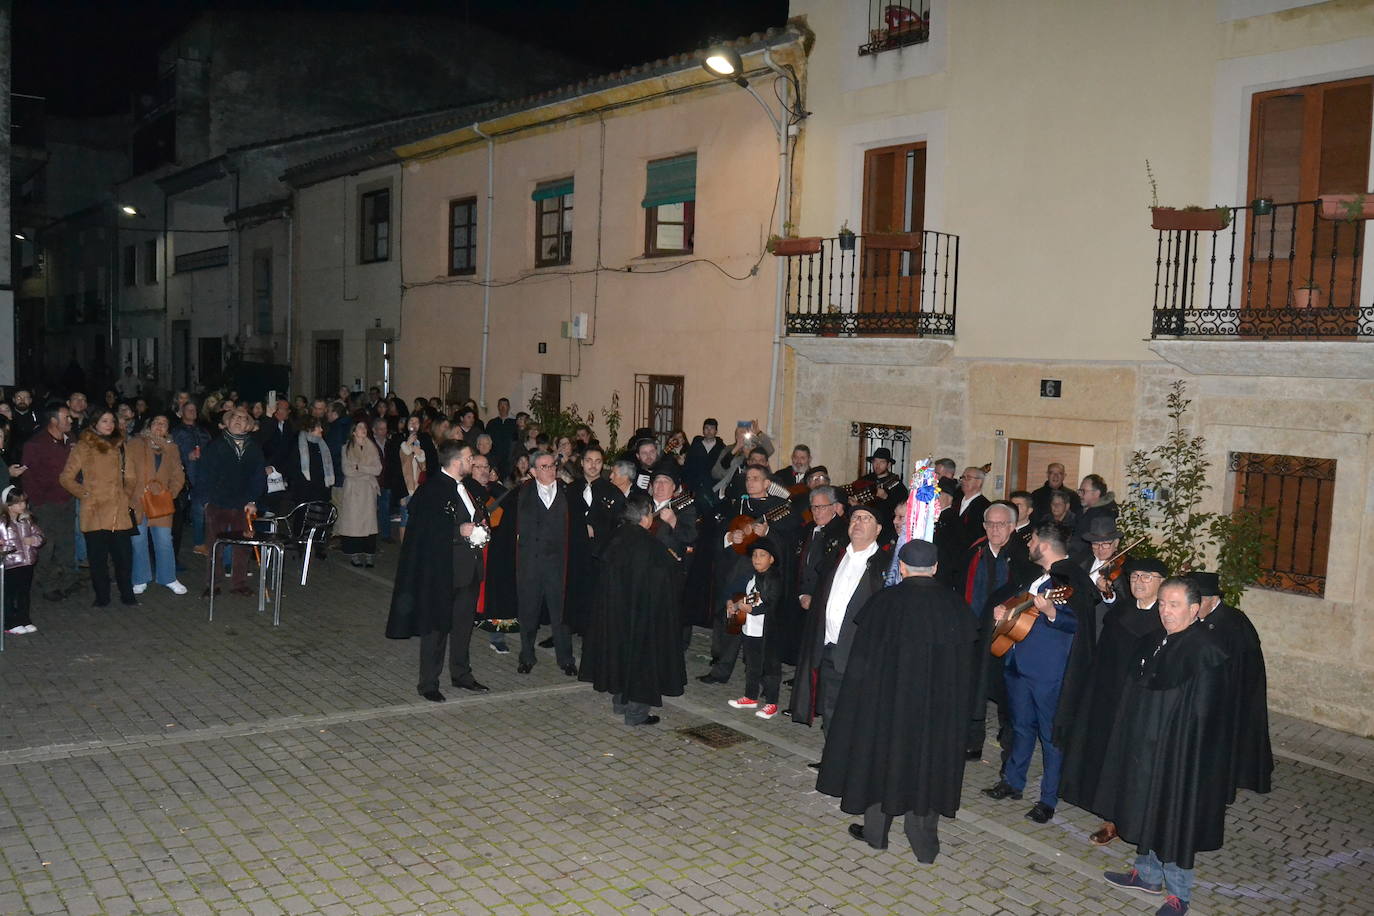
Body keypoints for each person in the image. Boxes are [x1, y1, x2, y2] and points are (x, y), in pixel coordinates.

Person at [817, 539, 974, 864]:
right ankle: (924, 843)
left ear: (901, 568)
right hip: (935, 711)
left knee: (878, 759)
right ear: (934, 568)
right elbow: (964, 670)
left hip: (886, 708)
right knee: (928, 764)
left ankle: (876, 833)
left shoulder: (884, 603)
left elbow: (862, 663)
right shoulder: (954, 606)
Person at [1098, 577, 1233, 916]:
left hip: (1178, 755)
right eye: (1162, 604)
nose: (1166, 612)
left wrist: (1182, 753)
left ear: (1193, 608)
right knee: (1146, 807)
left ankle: (1179, 894)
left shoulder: (1207, 652)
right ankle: (1146, 874)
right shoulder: (1155, 640)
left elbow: (1206, 717)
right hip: (1145, 746)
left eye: (1174, 605)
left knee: (1173, 817)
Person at [982, 523, 1097, 824]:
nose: (1028, 543)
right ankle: (1012, 781)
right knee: (1020, 727)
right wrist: (1004, 611)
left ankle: (1048, 799)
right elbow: (1020, 608)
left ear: (1044, 545)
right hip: (1018, 664)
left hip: (1048, 672)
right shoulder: (1039, 578)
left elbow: (1079, 624)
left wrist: (1052, 612)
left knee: (1050, 736)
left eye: (1032, 539)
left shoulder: (1071, 577)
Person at [1060, 556, 1167, 847]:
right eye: (1135, 577)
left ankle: (1120, 821)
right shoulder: (1121, 610)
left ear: (1161, 583)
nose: (1139, 582)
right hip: (1108, 695)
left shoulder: (1164, 620)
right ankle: (1106, 810)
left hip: (1139, 703)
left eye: (1147, 577)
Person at [385, 441, 489, 702]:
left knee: (464, 626)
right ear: (456, 462)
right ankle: (428, 682)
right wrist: (459, 530)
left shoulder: (465, 487)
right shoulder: (432, 490)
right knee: (437, 627)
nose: (472, 462)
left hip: (469, 569)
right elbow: (427, 529)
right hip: (444, 570)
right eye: (468, 458)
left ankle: (461, 674)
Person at [579, 491, 686, 726]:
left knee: (619, 654)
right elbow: (665, 578)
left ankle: (620, 702)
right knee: (641, 660)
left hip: (615, 613)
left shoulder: (616, 537)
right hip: (642, 614)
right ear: (645, 517)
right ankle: (636, 713)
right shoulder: (649, 545)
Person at [788, 504, 889, 729]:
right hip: (830, 647)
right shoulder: (836, 556)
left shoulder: (884, 566)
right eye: (855, 518)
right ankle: (832, 760)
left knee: (858, 712)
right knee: (830, 708)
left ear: (878, 529)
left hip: (861, 653)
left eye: (866, 518)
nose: (858, 523)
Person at [701, 465, 797, 685]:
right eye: (748, 478)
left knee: (760, 630)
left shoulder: (779, 508)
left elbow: (788, 543)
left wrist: (769, 533)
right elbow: (720, 535)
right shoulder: (737, 504)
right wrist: (729, 537)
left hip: (764, 579)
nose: (750, 482)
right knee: (732, 623)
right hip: (737, 575)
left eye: (756, 478)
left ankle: (763, 678)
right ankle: (721, 671)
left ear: (766, 484)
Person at [1193, 571, 1273, 801]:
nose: (1193, 607)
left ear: (1212, 599)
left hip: (1236, 694)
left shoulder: (1233, 622)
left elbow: (1238, 667)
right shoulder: (1206, 617)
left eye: (1197, 602)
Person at [961, 501, 1030, 763]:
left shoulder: (1022, 556)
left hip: (1009, 634)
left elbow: (1028, 593)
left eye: (1001, 524)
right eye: (990, 524)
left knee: (1007, 691)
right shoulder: (975, 552)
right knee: (974, 688)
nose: (995, 529)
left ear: (1012, 526)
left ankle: (1009, 743)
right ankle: (973, 741)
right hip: (977, 631)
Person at [58, 408, 138, 607]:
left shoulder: (121, 445)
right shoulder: (84, 446)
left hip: (118, 511)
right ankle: (102, 597)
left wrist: (125, 494)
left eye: (112, 420)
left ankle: (127, 594)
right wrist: (86, 494)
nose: (109, 424)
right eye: (104, 420)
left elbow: (130, 476)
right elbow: (66, 478)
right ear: (94, 423)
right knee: (97, 560)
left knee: (124, 558)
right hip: (94, 511)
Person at [515, 450, 577, 675]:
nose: (550, 470)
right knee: (528, 613)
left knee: (560, 616)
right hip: (530, 565)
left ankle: (566, 659)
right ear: (532, 471)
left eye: (552, 466)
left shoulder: (567, 492)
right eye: (544, 467)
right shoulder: (522, 493)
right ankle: (526, 657)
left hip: (558, 566)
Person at [199, 407, 266, 598]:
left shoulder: (254, 448)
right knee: (215, 545)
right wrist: (206, 501)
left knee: (243, 546)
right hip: (217, 503)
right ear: (227, 423)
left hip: (242, 505)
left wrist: (253, 500)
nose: (238, 420)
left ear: (248, 425)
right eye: (235, 417)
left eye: (243, 418)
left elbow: (258, 476)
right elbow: (204, 474)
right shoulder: (215, 445)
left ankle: (239, 583)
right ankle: (213, 584)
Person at [723, 537, 784, 719]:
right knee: (752, 664)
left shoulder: (775, 578)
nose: (757, 558)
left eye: (762, 555)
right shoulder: (754, 575)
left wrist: (752, 609)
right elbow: (752, 596)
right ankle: (750, 696)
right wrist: (735, 605)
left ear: (771, 559)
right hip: (750, 628)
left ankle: (772, 703)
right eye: (755, 555)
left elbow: (772, 602)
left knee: (770, 666)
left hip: (767, 630)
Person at [127, 414, 188, 596]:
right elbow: (127, 472)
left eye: (164, 423)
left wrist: (170, 494)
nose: (159, 426)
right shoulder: (135, 444)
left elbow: (178, 475)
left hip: (161, 501)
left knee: (164, 540)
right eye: (156, 422)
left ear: (168, 429)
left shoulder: (172, 448)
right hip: (138, 500)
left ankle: (168, 577)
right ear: (149, 425)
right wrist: (130, 493)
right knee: (138, 541)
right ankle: (139, 578)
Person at [1, 486, 45, 634]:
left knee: (24, 593)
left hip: (27, 562)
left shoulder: (27, 521)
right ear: (8, 505)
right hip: (10, 564)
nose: (23, 506)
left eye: (24, 502)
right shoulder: (2, 523)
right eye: (18, 503)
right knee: (9, 594)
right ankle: (9, 622)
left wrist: (33, 540)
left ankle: (23, 618)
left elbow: (40, 536)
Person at [338, 420, 382, 567]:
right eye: (360, 427)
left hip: (368, 490)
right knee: (353, 523)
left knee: (369, 524)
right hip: (353, 490)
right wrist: (365, 470)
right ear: (353, 431)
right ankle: (354, 554)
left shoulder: (372, 447)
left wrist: (359, 467)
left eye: (365, 427)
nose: (363, 429)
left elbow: (378, 469)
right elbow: (347, 470)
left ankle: (369, 554)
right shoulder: (346, 448)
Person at [171, 403, 211, 558]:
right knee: (196, 509)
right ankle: (198, 543)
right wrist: (186, 457)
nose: (193, 412)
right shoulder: (177, 431)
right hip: (186, 475)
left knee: (201, 508)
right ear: (181, 413)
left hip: (204, 474)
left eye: (195, 409)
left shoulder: (202, 431)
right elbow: (172, 453)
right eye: (189, 410)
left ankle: (201, 542)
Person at [859, 448, 908, 543]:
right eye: (875, 462)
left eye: (882, 462)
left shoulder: (897, 484)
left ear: (888, 465)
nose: (877, 465)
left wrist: (886, 497)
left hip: (886, 530)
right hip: (866, 526)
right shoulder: (864, 480)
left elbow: (901, 509)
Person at [684, 418, 726, 505]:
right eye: (706, 428)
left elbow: (722, 469)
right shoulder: (696, 445)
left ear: (716, 431)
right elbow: (688, 466)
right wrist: (689, 485)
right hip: (695, 486)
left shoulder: (722, 448)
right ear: (703, 430)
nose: (709, 431)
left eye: (712, 428)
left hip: (713, 486)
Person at [485, 398, 517, 478]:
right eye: (501, 405)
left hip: (509, 460)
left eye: (505, 405)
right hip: (494, 459)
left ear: (509, 407)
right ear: (498, 407)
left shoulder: (514, 423)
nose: (503, 407)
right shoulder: (492, 423)